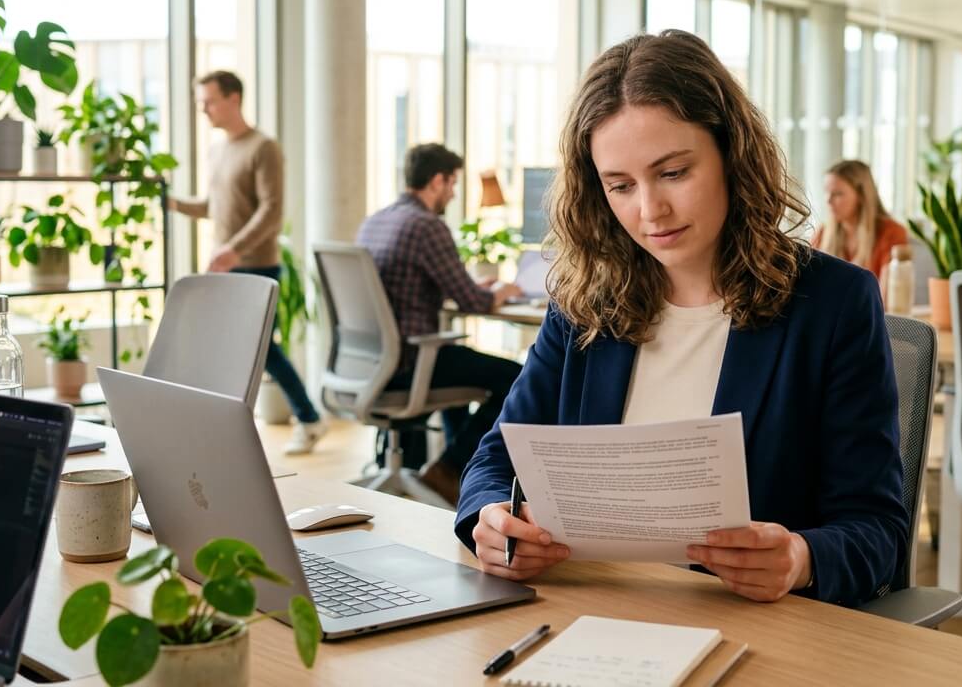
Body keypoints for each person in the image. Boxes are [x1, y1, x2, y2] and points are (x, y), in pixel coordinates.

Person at [455, 31, 907, 607]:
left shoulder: (835, 302)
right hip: (591, 614)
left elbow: (877, 529)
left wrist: (800, 557)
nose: (650, 211)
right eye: (620, 186)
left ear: (731, 156)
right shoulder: (582, 301)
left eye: (672, 173)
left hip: (756, 632)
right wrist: (491, 519)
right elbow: (496, 458)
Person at [356, 143, 526, 505]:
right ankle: (449, 469)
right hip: (411, 362)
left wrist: (473, 288)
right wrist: (501, 290)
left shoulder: (377, 220)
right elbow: (471, 301)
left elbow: (424, 287)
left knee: (458, 363)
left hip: (373, 362)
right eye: (452, 184)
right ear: (437, 181)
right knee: (516, 379)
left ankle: (455, 470)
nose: (452, 192)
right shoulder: (426, 225)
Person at [168, 70, 327, 455]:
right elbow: (214, 206)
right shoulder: (218, 150)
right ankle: (296, 420)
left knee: (260, 351)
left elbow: (272, 212)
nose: (203, 109)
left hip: (256, 266)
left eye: (209, 101)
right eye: (200, 102)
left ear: (233, 98)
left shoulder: (263, 148)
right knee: (241, 350)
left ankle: (307, 419)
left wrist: (234, 250)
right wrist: (170, 202)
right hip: (226, 267)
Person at [813, 160, 908, 284]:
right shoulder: (822, 233)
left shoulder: (891, 232)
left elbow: (888, 296)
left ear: (861, 195)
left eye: (838, 194)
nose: (828, 200)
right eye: (826, 192)